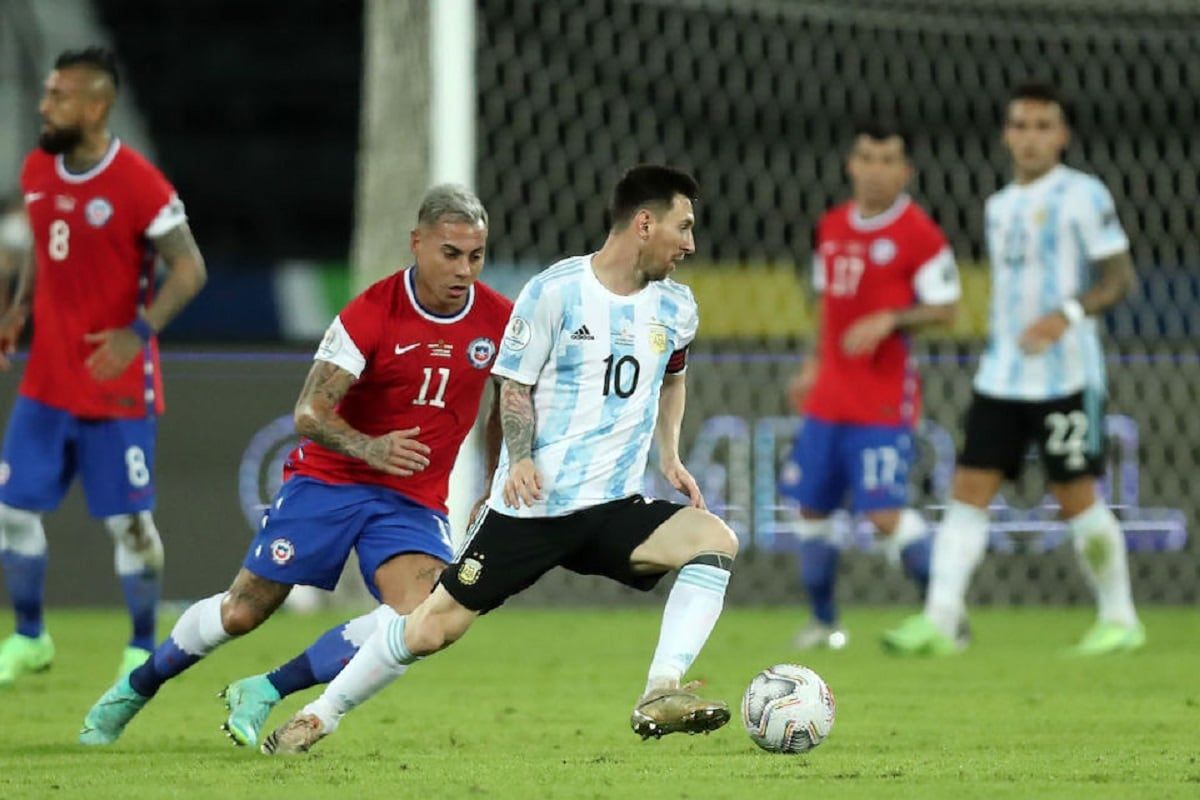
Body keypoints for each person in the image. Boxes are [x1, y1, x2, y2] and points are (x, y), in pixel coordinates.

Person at [258, 164, 738, 756]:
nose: (690, 244)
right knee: (432, 628)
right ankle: (318, 715)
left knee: (713, 540)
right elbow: (513, 386)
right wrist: (521, 458)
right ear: (644, 223)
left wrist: (669, 452)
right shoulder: (554, 292)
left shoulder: (676, 306)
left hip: (614, 508)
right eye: (682, 227)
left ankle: (660, 690)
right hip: (533, 508)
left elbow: (673, 376)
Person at [78, 184, 511, 745]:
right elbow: (308, 412)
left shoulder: (500, 319)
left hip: (412, 498)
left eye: (475, 256)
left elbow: (509, 400)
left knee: (430, 616)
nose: (464, 270)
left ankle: (268, 688)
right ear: (417, 244)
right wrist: (372, 448)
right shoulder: (371, 312)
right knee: (242, 613)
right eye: (450, 254)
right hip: (330, 480)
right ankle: (136, 687)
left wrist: (496, 476)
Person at [884, 82, 1143, 656]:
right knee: (967, 492)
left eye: (1043, 125)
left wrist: (1066, 314)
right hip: (1001, 375)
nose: (1030, 137)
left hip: (1066, 375)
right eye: (1021, 126)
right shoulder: (998, 206)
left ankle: (1121, 617)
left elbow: (1119, 279)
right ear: (1006, 134)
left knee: (1075, 495)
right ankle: (941, 618)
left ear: (1062, 135)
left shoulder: (1085, 194)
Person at [0, 48, 206, 686]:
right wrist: (20, 309)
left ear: (94, 106)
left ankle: (142, 645)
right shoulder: (37, 167)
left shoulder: (141, 184)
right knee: (9, 509)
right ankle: (30, 637)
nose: (44, 105)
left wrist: (138, 331)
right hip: (46, 383)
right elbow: (42, 239)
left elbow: (190, 269)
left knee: (130, 523)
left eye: (57, 96)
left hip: (116, 388)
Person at [781, 122, 961, 649]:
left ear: (905, 172)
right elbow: (827, 309)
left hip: (882, 398)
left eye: (888, 160)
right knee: (811, 507)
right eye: (867, 157)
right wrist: (813, 366)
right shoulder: (832, 226)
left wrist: (892, 320)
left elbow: (948, 309)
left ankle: (945, 616)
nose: (876, 169)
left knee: (883, 512)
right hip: (829, 394)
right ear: (851, 165)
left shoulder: (920, 234)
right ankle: (824, 622)